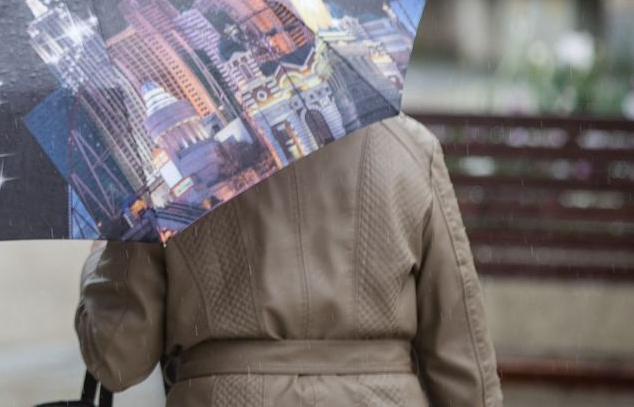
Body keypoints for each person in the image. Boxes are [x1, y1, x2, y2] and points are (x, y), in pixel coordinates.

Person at [75, 114, 503, 406]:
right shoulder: (405, 145)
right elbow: (460, 350)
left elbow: (117, 358)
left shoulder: (160, 183)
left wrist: (105, 256)